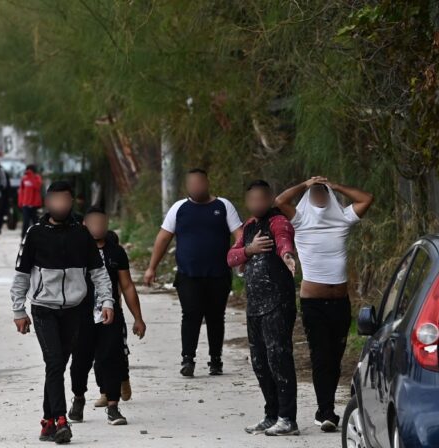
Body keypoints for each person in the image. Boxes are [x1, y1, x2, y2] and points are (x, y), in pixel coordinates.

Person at [9, 181, 115, 444]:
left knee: (57, 365)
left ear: (71, 203)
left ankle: (46, 423)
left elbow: (98, 272)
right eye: (55, 200)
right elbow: (21, 274)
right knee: (55, 362)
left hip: (74, 310)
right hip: (44, 309)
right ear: (48, 202)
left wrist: (107, 302)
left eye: (65, 200)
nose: (60, 205)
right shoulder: (35, 233)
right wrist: (18, 310)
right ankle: (59, 420)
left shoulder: (82, 234)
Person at [274, 177, 373, 432]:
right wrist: (306, 184)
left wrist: (337, 186)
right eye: (315, 193)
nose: (319, 197)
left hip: (339, 301)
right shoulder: (300, 219)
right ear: (308, 196)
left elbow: (366, 199)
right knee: (320, 356)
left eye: (323, 193)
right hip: (313, 302)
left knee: (336, 358)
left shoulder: (342, 218)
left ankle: (325, 408)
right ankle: (326, 411)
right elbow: (280, 201)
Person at [143, 168, 243, 376]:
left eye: (200, 182)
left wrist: (242, 258)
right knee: (190, 315)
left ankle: (216, 360)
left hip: (218, 274)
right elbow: (163, 238)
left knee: (216, 317)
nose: (196, 187)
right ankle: (187, 359)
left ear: (207, 183)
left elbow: (239, 235)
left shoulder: (223, 206)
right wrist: (152, 267)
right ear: (187, 187)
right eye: (192, 184)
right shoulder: (179, 208)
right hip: (188, 274)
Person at [227, 180, 299, 437]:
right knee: (260, 363)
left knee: (279, 358)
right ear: (247, 203)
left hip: (277, 303)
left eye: (262, 199)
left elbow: (283, 240)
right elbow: (231, 257)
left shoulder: (277, 221)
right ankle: (271, 415)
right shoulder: (248, 227)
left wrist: (288, 255)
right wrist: (250, 249)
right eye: (253, 200)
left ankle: (288, 418)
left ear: (270, 199)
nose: (258, 204)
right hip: (255, 305)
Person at [68, 207, 146, 426]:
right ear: (84, 225)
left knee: (110, 360)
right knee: (80, 362)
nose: (98, 228)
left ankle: (113, 407)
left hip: (110, 315)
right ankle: (79, 398)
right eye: (93, 223)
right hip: (81, 316)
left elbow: (127, 286)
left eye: (102, 223)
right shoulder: (75, 251)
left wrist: (138, 318)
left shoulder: (116, 252)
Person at [18, 164, 43, 237]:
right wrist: (20, 202)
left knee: (36, 222)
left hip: (35, 204)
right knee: (26, 222)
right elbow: (21, 191)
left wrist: (31, 176)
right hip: (25, 204)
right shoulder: (24, 178)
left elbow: (38, 187)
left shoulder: (37, 177)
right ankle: (23, 238)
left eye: (30, 171)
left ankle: (38, 237)